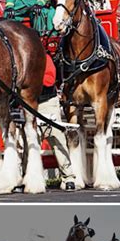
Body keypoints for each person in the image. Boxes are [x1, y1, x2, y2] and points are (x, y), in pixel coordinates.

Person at [38, 55, 77, 191]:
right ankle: (30, 177)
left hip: (47, 102)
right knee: (29, 144)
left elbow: (48, 80)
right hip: (27, 104)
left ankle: (68, 177)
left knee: (57, 139)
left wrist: (30, 81)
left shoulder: (44, 58)